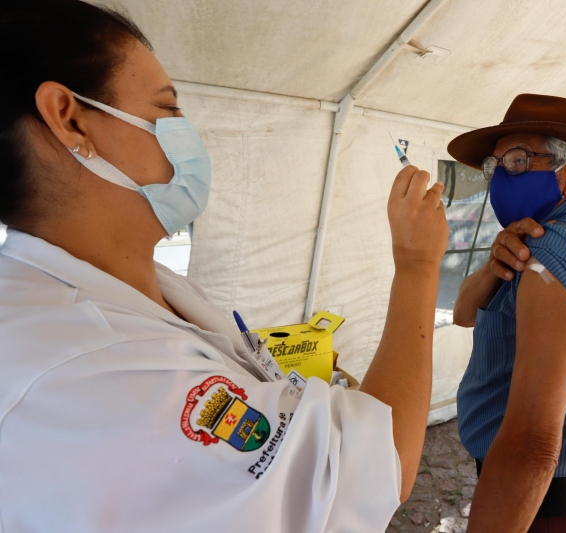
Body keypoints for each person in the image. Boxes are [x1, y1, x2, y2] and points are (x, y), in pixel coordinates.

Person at [0, 1, 449, 531]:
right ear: (70, 117)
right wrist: (418, 267)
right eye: (167, 110)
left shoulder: (121, 287)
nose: (188, 136)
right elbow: (366, 471)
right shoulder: (86, 369)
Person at [448, 94, 566, 532]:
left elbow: (531, 448)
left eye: (517, 160)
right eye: (494, 166)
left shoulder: (550, 250)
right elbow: (463, 313)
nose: (500, 177)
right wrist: (491, 266)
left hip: (551, 512)